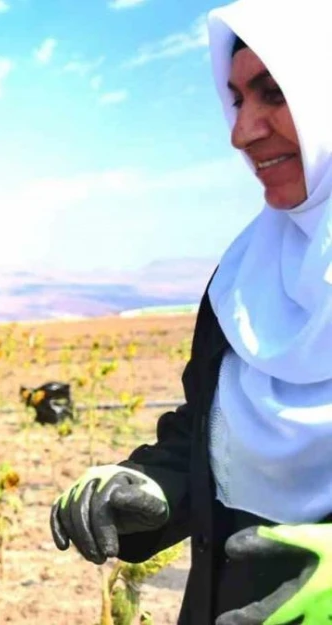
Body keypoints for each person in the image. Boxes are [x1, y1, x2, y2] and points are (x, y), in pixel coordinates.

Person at [47, 0, 332, 623]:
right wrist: (157, 486)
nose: (242, 130)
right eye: (237, 100)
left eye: (274, 93)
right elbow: (212, 429)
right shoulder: (244, 278)